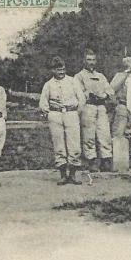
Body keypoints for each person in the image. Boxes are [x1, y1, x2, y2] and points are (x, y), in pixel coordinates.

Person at [40, 56, 86, 185]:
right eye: (58, 70)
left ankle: (72, 175)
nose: (61, 72)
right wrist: (49, 113)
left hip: (71, 113)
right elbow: (43, 102)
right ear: (52, 70)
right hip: (56, 115)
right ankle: (62, 175)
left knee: (74, 145)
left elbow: (81, 99)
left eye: (63, 69)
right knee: (59, 145)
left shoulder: (72, 81)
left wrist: (77, 112)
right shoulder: (48, 84)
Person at [74, 49, 115, 172]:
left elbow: (109, 90)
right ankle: (91, 161)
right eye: (88, 60)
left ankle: (106, 160)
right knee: (89, 135)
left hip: (101, 107)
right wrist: (91, 95)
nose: (91, 62)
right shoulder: (79, 76)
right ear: (84, 61)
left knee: (104, 133)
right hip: (88, 107)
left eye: (93, 60)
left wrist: (105, 95)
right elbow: (80, 92)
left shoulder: (100, 76)